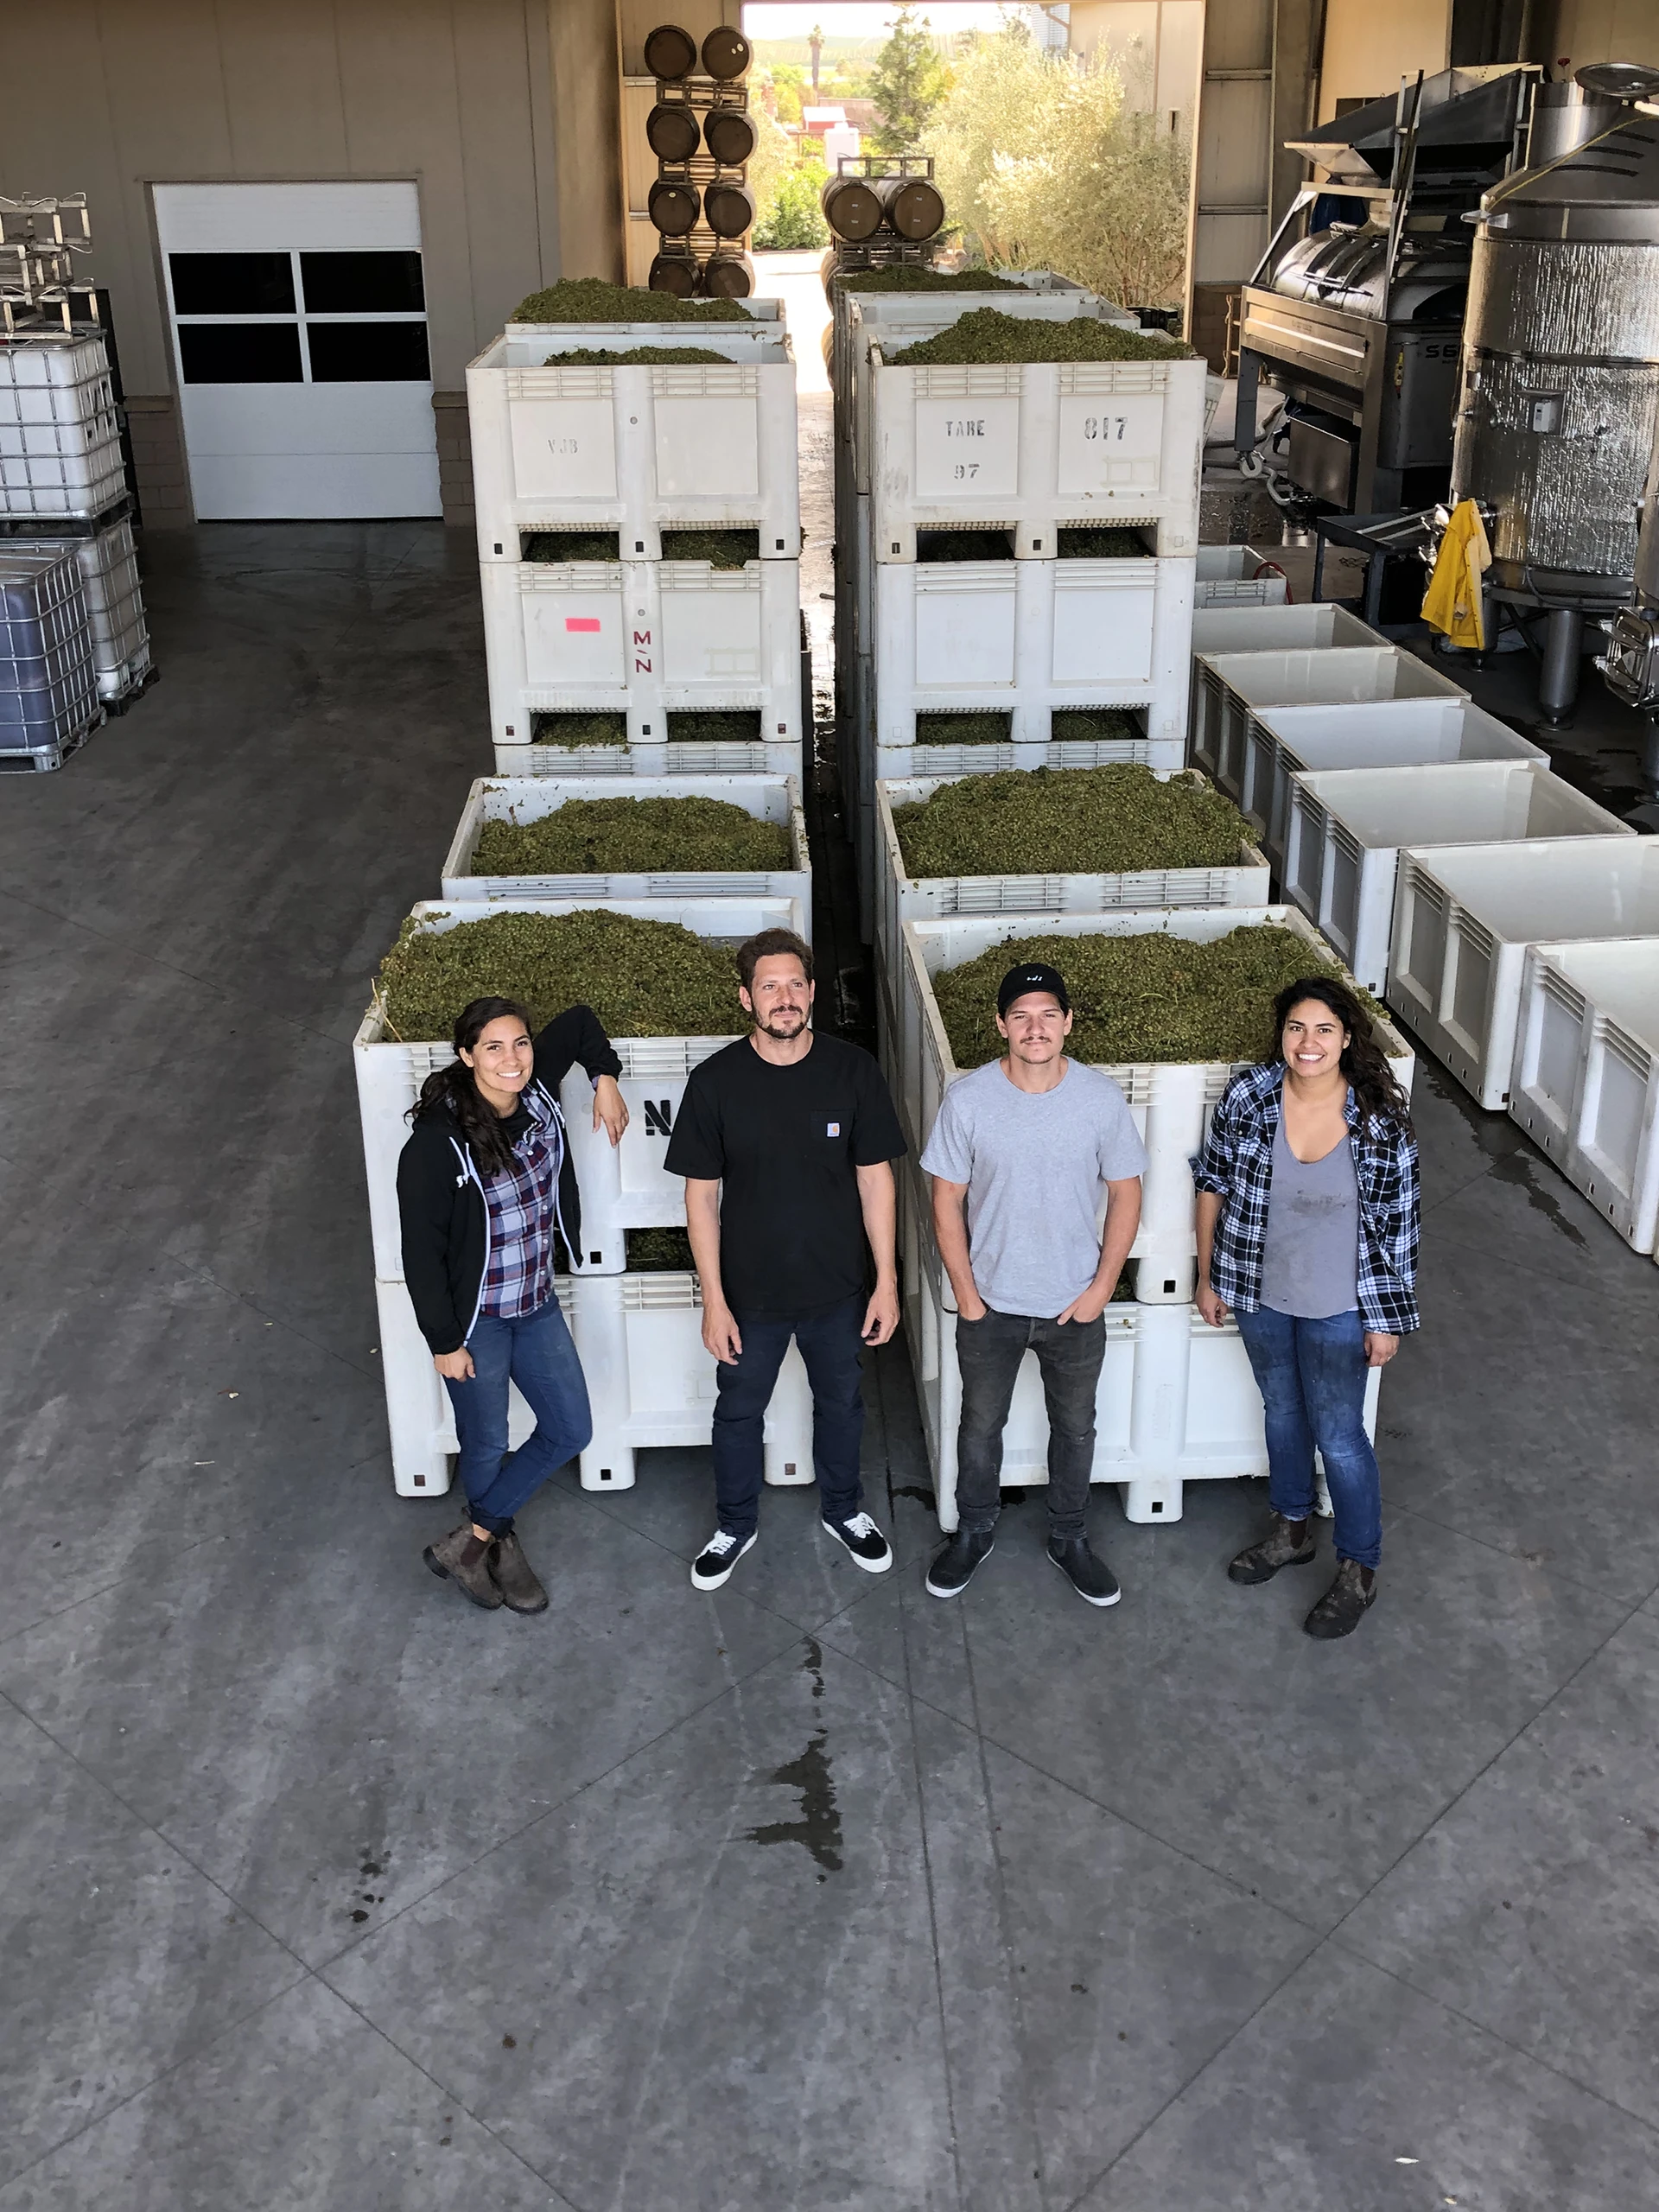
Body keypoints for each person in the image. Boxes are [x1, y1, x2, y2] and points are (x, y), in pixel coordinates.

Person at [664, 928, 907, 1591]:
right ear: (746, 998)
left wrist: (887, 1283)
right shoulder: (715, 1082)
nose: (785, 997)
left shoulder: (851, 1069)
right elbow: (700, 1198)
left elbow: (876, 1179)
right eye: (769, 986)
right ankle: (734, 1524)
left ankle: (844, 1510)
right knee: (738, 1413)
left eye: (796, 984)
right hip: (750, 1295)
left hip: (837, 1289)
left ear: (813, 992)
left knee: (843, 1404)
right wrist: (714, 1301)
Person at [1193, 974, 1420, 1640]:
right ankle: (1291, 1529)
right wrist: (1209, 1275)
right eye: (1296, 1028)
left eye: (1324, 1029)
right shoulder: (1250, 1096)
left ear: (1347, 1038)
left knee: (1341, 1435)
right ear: (1282, 1036)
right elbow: (1212, 1182)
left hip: (1340, 1308)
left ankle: (1360, 1567)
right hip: (1260, 1293)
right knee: (1283, 1410)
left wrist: (1386, 1320)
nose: (1308, 1042)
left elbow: (1399, 1228)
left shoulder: (1378, 1121)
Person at [920, 960, 1147, 1605]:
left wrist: (1103, 1285)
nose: (1035, 1027)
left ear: (1069, 1022)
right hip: (989, 1303)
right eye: (1021, 1015)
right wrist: (966, 1293)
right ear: (1000, 1025)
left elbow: (1127, 1194)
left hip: (1074, 1304)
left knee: (1076, 1428)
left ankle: (1070, 1537)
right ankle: (974, 1530)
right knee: (979, 1426)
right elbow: (946, 1201)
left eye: (1048, 1014)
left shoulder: (1099, 1099)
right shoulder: (969, 1100)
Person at [398, 995, 629, 1613]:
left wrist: (606, 1078)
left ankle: (471, 1541)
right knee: (485, 1443)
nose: (512, 1059)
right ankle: (497, 1548)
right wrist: (444, 1343)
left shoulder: (535, 1092)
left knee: (570, 1427)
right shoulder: (436, 1146)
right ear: (467, 1056)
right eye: (493, 1048)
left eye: (521, 1043)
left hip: (536, 1303)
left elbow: (581, 1019)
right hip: (478, 1322)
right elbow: (420, 1256)